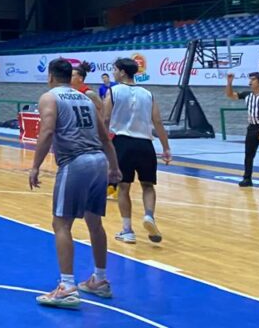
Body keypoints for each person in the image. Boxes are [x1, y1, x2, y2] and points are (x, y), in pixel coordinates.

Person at [28, 58, 123, 309]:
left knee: (61, 223)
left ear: (50, 76)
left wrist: (35, 165)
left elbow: (47, 131)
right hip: (99, 161)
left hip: (75, 162)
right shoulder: (87, 98)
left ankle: (67, 286)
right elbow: (105, 136)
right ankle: (100, 280)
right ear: (71, 76)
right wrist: (113, 166)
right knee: (95, 222)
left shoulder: (50, 97)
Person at [103, 57, 171, 244]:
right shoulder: (148, 93)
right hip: (145, 144)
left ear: (123, 72)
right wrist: (166, 147)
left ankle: (128, 230)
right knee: (148, 185)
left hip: (123, 143)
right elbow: (157, 122)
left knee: (124, 187)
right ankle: (149, 215)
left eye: (115, 70)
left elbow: (106, 118)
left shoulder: (113, 91)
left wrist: (100, 141)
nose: (114, 73)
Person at [225, 71, 259, 190]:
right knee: (248, 155)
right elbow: (230, 95)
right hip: (252, 128)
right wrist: (229, 82)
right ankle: (247, 178)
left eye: (253, 80)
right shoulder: (247, 95)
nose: (250, 82)